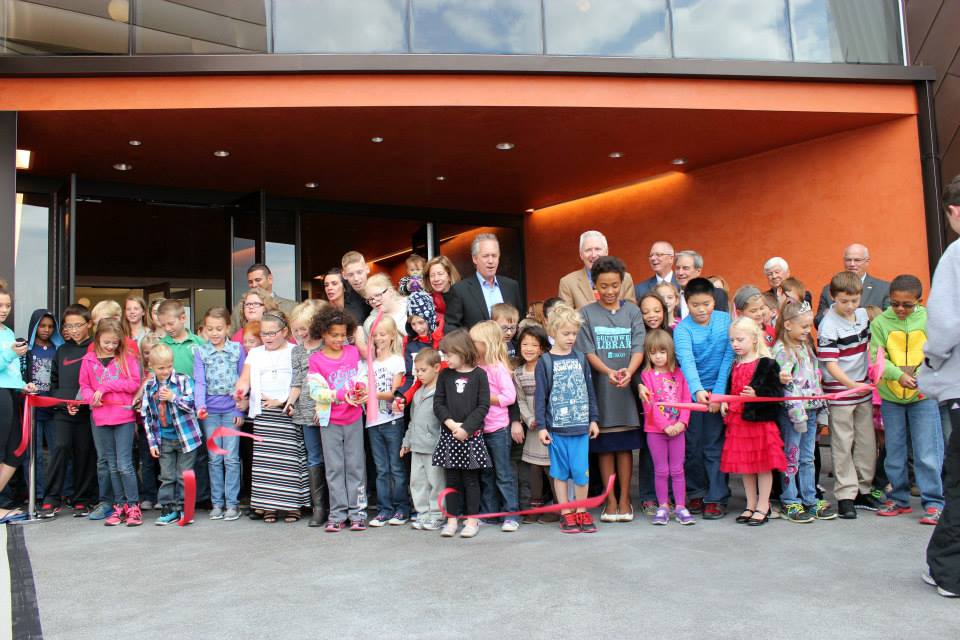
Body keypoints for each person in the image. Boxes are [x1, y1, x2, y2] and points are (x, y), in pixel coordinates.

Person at [575, 257, 645, 522]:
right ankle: (610, 501)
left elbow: (639, 346)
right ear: (595, 285)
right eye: (603, 286)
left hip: (627, 389)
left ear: (622, 283)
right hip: (601, 389)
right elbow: (588, 350)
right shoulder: (586, 313)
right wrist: (608, 372)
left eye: (614, 285)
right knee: (604, 447)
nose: (610, 291)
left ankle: (626, 498)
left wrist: (629, 371)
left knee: (624, 447)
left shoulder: (633, 312)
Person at [870, 275, 944, 523]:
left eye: (907, 305)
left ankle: (934, 502)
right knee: (894, 451)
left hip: (923, 396)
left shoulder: (929, 319)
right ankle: (899, 499)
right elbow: (876, 357)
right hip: (891, 397)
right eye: (895, 304)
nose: (900, 309)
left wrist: (922, 376)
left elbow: (937, 351)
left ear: (919, 302)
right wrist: (897, 375)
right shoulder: (880, 322)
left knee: (927, 452)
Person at [923, 174, 960, 597]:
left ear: (952, 210)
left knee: (959, 482)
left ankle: (950, 573)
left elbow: (947, 321)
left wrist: (931, 359)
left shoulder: (956, 253)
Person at [236, 311, 307, 524]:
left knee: (288, 460)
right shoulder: (255, 353)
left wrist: (284, 401)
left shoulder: (296, 351)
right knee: (266, 462)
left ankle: (291, 505)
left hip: (288, 410)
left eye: (272, 333)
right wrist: (240, 391)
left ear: (284, 331)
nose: (267, 337)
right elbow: (244, 380)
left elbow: (301, 380)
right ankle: (269, 506)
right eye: (264, 333)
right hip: (263, 412)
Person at [534, 304, 600, 534]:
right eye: (566, 333)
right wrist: (541, 426)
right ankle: (566, 513)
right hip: (557, 431)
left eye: (574, 333)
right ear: (553, 332)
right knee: (560, 473)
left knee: (581, 472)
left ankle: (581, 510)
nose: (571, 338)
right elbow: (540, 397)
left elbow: (589, 390)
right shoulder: (545, 362)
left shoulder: (581, 358)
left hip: (580, 428)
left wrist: (593, 418)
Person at [818, 271, 879, 519]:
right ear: (834, 297)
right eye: (844, 301)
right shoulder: (828, 324)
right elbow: (831, 364)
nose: (850, 306)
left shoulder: (863, 316)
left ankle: (864, 488)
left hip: (863, 389)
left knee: (866, 443)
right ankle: (845, 495)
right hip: (841, 391)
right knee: (842, 443)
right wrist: (852, 384)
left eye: (854, 300)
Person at [674, 277, 735, 519]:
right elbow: (686, 361)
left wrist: (717, 395)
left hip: (719, 391)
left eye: (707, 303)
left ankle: (717, 497)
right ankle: (696, 492)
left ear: (714, 301)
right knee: (692, 447)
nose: (701, 309)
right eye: (696, 304)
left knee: (715, 445)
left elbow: (728, 358)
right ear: (687, 303)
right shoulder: (682, 329)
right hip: (691, 394)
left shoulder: (725, 321)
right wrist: (698, 392)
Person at [720, 317, 787, 527]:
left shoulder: (767, 364)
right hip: (739, 422)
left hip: (760, 423)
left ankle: (763, 505)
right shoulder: (735, 364)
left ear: (754, 339)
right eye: (732, 340)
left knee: (763, 466)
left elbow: (777, 393)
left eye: (740, 339)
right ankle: (750, 504)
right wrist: (725, 402)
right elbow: (732, 389)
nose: (735, 344)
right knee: (745, 467)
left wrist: (758, 393)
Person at [307, 307, 369, 532]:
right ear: (323, 333)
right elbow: (315, 391)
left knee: (355, 466)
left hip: (353, 418)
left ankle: (358, 513)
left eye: (343, 334)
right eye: (334, 335)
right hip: (330, 420)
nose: (340, 339)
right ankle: (337, 514)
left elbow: (362, 377)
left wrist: (361, 389)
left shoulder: (353, 353)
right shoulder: (316, 360)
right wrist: (341, 395)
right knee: (334, 468)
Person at [773, 300, 835, 522]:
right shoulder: (782, 350)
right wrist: (797, 415)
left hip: (811, 410)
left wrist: (821, 408)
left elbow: (815, 379)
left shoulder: (806, 347)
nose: (808, 331)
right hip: (793, 414)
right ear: (788, 325)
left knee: (808, 457)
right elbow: (788, 386)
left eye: (809, 326)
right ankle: (790, 500)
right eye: (804, 326)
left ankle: (810, 498)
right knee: (791, 456)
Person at [79, 318, 142, 526]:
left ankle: (133, 505)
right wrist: (91, 398)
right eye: (107, 342)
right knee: (112, 464)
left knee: (125, 464)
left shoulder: (127, 357)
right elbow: (85, 385)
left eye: (115, 342)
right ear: (97, 338)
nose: (110, 346)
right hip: (101, 416)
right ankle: (119, 505)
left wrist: (105, 388)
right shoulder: (88, 360)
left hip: (123, 416)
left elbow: (133, 383)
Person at [39, 304, 98, 519]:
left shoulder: (96, 348)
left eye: (77, 325)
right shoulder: (61, 350)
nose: (73, 330)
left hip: (87, 412)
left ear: (89, 324)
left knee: (84, 453)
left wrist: (81, 402)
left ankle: (82, 499)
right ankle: (51, 498)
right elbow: (53, 384)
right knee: (60, 448)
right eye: (68, 326)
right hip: (63, 411)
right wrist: (65, 404)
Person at [432, 329, 492, 539]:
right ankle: (451, 519)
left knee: (471, 480)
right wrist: (450, 424)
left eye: (448, 354)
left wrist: (466, 428)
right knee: (452, 480)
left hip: (470, 435)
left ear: (462, 351)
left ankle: (472, 519)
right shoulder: (445, 375)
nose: (445, 359)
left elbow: (483, 406)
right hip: (450, 435)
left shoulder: (479, 375)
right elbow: (438, 403)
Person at [194, 307, 246, 522]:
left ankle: (232, 504)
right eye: (209, 329)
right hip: (211, 413)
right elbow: (200, 381)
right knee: (215, 458)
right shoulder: (201, 352)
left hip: (231, 410)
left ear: (227, 328)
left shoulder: (237, 349)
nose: (214, 333)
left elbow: (243, 379)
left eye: (218, 328)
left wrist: (238, 408)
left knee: (231, 458)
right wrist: (200, 405)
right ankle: (217, 503)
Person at [140, 343, 202, 526]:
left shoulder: (183, 380)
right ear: (151, 366)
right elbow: (147, 416)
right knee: (167, 476)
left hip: (186, 438)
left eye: (169, 366)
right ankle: (168, 507)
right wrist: (152, 443)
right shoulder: (150, 386)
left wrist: (173, 398)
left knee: (184, 475)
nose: (166, 370)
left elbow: (192, 405)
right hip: (164, 438)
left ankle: (184, 507)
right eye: (160, 367)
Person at [638, 329, 694, 525]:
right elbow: (649, 404)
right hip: (656, 432)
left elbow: (687, 400)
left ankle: (680, 506)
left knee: (678, 470)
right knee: (661, 470)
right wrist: (665, 426)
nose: (658, 356)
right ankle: (663, 505)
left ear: (670, 351)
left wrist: (681, 423)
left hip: (678, 430)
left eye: (662, 352)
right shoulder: (647, 376)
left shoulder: (679, 374)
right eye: (653, 353)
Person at [469, 320, 520, 532]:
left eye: (475, 342)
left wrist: (485, 398)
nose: (472, 345)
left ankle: (511, 514)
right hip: (480, 428)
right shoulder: (475, 368)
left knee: (503, 473)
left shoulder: (498, 368)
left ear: (487, 344)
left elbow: (510, 396)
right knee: (486, 473)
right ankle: (490, 513)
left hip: (498, 428)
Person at [284, 301, 329, 527]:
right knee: (313, 457)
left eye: (304, 329)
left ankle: (335, 504)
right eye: (296, 330)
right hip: (304, 411)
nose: (300, 334)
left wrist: (322, 408)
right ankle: (318, 508)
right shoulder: (297, 350)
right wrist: (290, 402)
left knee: (331, 457)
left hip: (327, 409)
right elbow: (297, 381)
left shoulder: (326, 347)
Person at [365, 315, 409, 527]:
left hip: (392, 420)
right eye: (375, 335)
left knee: (396, 467)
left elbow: (394, 392)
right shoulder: (368, 362)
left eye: (383, 334)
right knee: (381, 469)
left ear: (392, 336)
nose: (378, 338)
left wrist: (370, 394)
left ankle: (401, 508)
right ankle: (384, 509)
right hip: (373, 421)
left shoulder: (397, 360)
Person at [0, 287, 38, 522]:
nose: (4, 310)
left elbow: (11, 370)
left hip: (11, 394)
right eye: (0, 306)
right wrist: (11, 354)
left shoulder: (7, 331)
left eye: (7, 306)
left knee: (16, 450)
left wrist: (23, 384)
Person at [513, 325, 557, 524]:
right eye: (524, 344)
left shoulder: (548, 367)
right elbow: (520, 399)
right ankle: (535, 507)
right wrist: (529, 418)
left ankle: (558, 507)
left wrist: (544, 419)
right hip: (532, 427)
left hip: (549, 425)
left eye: (534, 344)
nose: (528, 348)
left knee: (551, 468)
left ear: (542, 348)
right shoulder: (519, 372)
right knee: (534, 469)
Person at [400, 348, 445, 531]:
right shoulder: (418, 394)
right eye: (416, 370)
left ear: (436, 368)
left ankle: (437, 514)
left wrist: (442, 444)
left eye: (423, 370)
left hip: (433, 447)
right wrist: (406, 442)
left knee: (436, 483)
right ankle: (423, 513)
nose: (419, 374)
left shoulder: (441, 393)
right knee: (417, 482)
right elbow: (413, 421)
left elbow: (443, 421)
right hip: (417, 447)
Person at [446, 233, 524, 330]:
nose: (490, 261)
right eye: (486, 256)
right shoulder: (460, 290)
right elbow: (451, 328)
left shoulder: (511, 286)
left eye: (494, 256)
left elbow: (520, 322)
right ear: (475, 259)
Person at [24, 308, 63, 498]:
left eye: (50, 326)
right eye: (42, 326)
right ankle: (36, 494)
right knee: (34, 454)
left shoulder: (59, 350)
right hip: (32, 409)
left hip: (54, 408)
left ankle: (56, 493)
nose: (46, 330)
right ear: (34, 327)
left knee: (58, 451)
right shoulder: (26, 351)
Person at [815, 244, 891, 327]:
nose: (852, 264)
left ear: (867, 262)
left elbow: (889, 322)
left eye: (857, 260)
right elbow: (817, 321)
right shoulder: (829, 289)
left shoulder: (884, 288)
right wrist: (830, 313)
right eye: (848, 260)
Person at [558, 230, 636, 309]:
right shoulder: (567, 283)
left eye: (597, 249)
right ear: (581, 255)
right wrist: (590, 312)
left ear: (606, 252)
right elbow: (564, 318)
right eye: (588, 250)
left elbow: (631, 311)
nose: (593, 255)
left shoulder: (625, 278)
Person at [158, 299, 205, 379]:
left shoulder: (200, 343)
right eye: (163, 325)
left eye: (171, 323)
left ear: (183, 318)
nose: (167, 328)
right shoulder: (160, 346)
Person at [674, 250, 729, 319]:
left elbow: (721, 324)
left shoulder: (717, 294)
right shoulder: (671, 296)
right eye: (677, 268)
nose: (680, 273)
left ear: (698, 271)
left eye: (685, 268)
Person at [423, 255, 460, 333]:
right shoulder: (426, 302)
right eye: (432, 275)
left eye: (440, 274)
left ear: (449, 276)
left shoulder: (462, 296)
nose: (436, 279)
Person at [363, 274, 408, 338]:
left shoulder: (412, 305)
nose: (374, 301)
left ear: (390, 291)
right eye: (370, 299)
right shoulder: (370, 323)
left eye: (377, 295)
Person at [341, 251, 373, 324]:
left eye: (359, 272)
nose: (356, 278)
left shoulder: (382, 290)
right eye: (351, 274)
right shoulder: (345, 303)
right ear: (344, 275)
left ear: (367, 269)